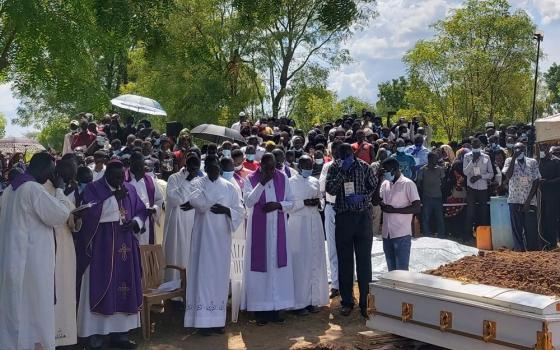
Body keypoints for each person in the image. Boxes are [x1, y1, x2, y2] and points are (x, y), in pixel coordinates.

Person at [0, 153, 72, 350]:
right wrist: (60, 190)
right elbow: (59, 215)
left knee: (16, 309)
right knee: (36, 308)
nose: (51, 176)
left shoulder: (9, 190)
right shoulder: (32, 189)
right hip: (32, 264)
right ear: (42, 168)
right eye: (50, 171)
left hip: (13, 261)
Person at [75, 160, 146, 349]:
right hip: (102, 248)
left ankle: (120, 335)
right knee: (101, 286)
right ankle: (96, 335)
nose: (119, 181)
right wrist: (112, 197)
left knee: (124, 288)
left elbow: (140, 210)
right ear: (106, 175)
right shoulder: (93, 188)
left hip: (126, 247)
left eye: (121, 177)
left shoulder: (129, 188)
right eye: (115, 178)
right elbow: (88, 214)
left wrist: (136, 222)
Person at [184, 155, 244, 335]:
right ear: (206, 168)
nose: (213, 170)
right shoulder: (197, 183)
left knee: (219, 277)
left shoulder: (230, 187)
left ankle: (217, 321)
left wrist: (226, 209)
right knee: (203, 276)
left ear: (219, 167)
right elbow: (199, 204)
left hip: (221, 239)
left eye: (216, 166)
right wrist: (213, 199)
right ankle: (202, 322)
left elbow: (240, 210)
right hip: (203, 240)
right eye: (209, 167)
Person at [242, 153, 295, 326]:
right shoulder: (251, 179)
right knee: (260, 270)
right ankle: (260, 311)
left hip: (278, 231)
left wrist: (278, 205)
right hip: (259, 233)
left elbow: (292, 202)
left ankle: (276, 309)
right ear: (261, 166)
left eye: (273, 167)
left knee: (277, 269)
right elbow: (249, 202)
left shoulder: (283, 178)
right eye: (267, 168)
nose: (271, 171)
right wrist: (262, 183)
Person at [326, 143, 377, 318]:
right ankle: (347, 301)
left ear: (353, 153)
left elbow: (373, 187)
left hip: (362, 217)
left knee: (364, 262)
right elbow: (330, 190)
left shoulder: (365, 167)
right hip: (343, 217)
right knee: (344, 261)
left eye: (347, 155)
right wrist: (342, 171)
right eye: (341, 156)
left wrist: (362, 197)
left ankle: (365, 303)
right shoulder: (334, 168)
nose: (344, 158)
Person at [286, 156, 329, 315]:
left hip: (314, 222)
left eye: (311, 166)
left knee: (314, 259)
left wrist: (317, 203)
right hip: (298, 225)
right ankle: (298, 303)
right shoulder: (290, 182)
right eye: (306, 165)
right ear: (298, 165)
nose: (309, 168)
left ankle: (313, 299)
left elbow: (321, 200)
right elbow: (288, 205)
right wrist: (304, 203)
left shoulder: (315, 181)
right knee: (300, 262)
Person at [162, 154, 201, 282]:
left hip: (193, 224)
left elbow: (201, 200)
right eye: (192, 168)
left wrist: (193, 204)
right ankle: (172, 292)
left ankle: (189, 291)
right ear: (186, 166)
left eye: (196, 168)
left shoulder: (200, 180)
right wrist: (188, 180)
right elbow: (174, 199)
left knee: (191, 256)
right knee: (175, 254)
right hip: (177, 224)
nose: (194, 171)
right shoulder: (174, 178)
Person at [379, 158, 421, 271]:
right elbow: (376, 200)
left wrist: (394, 210)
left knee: (402, 271)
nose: (385, 173)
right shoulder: (385, 184)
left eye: (386, 171)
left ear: (395, 169)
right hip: (387, 233)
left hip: (401, 233)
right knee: (391, 270)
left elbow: (417, 207)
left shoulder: (408, 184)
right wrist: (379, 179)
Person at [503, 143, 541, 251]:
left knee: (530, 228)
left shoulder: (532, 162)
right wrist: (514, 157)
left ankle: (532, 251)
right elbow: (508, 176)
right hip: (514, 199)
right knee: (516, 228)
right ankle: (520, 251)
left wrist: (528, 201)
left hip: (529, 201)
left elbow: (536, 180)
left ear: (525, 150)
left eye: (521, 148)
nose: (518, 150)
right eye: (516, 148)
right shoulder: (509, 161)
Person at [319, 139, 342, 299]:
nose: (336, 152)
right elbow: (322, 188)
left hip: (346, 210)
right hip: (331, 207)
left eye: (339, 150)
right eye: (333, 150)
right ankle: (335, 284)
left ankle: (346, 281)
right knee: (332, 248)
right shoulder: (327, 166)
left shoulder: (350, 166)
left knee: (347, 248)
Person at [127, 152, 164, 245]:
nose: (140, 168)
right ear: (130, 163)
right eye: (137, 164)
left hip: (147, 221)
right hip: (131, 223)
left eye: (141, 164)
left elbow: (159, 199)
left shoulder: (150, 180)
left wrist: (155, 209)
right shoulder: (123, 179)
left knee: (146, 252)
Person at [462, 138, 494, 243]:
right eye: (474, 145)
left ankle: (484, 237)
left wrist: (481, 176)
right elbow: (465, 172)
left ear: (480, 145)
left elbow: (491, 173)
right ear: (471, 146)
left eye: (477, 145)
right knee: (470, 212)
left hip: (483, 188)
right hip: (471, 188)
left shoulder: (486, 157)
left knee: (483, 212)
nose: (475, 146)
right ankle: (467, 237)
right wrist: (472, 161)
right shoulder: (467, 156)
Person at [417, 152, 446, 237]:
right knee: (426, 218)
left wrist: (439, 189)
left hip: (438, 197)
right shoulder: (422, 169)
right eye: (434, 159)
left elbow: (443, 182)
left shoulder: (440, 169)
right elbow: (419, 183)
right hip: (427, 197)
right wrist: (424, 192)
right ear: (429, 159)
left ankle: (441, 235)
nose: (436, 160)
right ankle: (426, 235)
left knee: (440, 218)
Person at [539, 146, 560, 249]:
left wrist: (547, 182)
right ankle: (546, 242)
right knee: (544, 220)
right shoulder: (538, 161)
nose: (543, 152)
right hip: (541, 196)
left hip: (554, 195)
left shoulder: (556, 162)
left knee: (551, 219)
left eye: (544, 149)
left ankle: (553, 243)